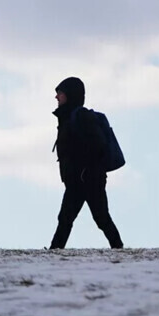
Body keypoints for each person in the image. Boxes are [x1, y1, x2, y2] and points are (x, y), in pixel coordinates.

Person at [49, 77, 124, 249]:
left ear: (70, 94)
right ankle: (54, 252)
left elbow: (98, 144)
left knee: (100, 218)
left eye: (60, 93)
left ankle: (119, 249)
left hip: (89, 179)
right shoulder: (67, 118)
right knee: (67, 218)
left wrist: (85, 170)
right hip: (77, 180)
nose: (57, 97)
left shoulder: (82, 117)